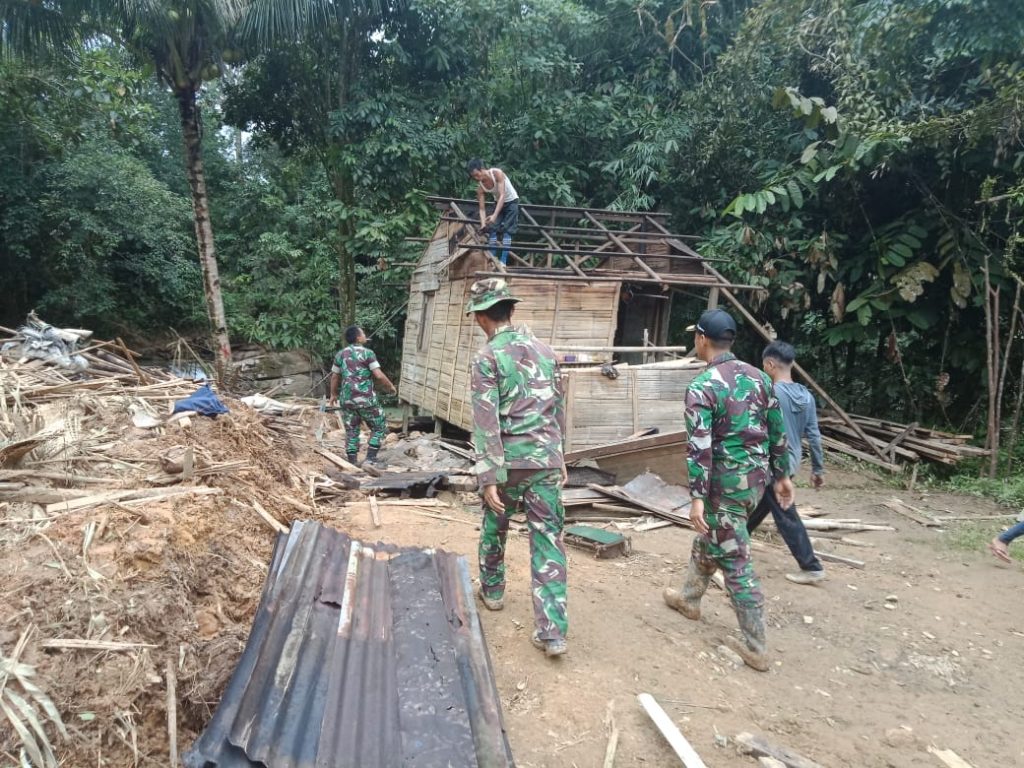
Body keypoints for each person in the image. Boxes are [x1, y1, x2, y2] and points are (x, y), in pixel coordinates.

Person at [663, 308, 794, 672]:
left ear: (702, 339)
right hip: (755, 481)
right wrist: (782, 476)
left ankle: (756, 646)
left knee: (735, 558)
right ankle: (689, 599)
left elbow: (700, 448)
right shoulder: (759, 379)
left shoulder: (702, 387)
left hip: (725, 485)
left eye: (695, 336)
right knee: (713, 538)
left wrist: (697, 499)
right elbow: (776, 430)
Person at [467, 277, 569, 657]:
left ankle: (493, 592)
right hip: (545, 462)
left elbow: (486, 421)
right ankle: (552, 632)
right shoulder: (546, 351)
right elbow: (558, 409)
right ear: (510, 308)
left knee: (495, 524)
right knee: (548, 539)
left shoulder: (486, 358)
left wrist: (488, 476)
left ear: (480, 316)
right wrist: (560, 458)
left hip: (509, 463)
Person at [746, 341, 827, 585]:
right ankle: (736, 542)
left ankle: (811, 566)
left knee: (785, 514)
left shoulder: (771, 393)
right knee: (760, 506)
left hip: (772, 464)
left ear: (770, 364)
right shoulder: (806, 396)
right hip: (790, 463)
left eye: (764, 365)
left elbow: (756, 430)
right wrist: (818, 468)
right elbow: (814, 435)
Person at [328, 325, 397, 467]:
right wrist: (390, 386)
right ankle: (370, 459)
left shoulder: (340, 354)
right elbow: (378, 375)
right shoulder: (368, 354)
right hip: (366, 399)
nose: (365, 335)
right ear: (358, 338)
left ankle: (352, 462)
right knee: (379, 426)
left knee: (351, 429)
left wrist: (333, 394)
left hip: (346, 400)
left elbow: (335, 377)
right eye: (363, 333)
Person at [468, 159, 519, 265]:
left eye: (477, 175)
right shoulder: (480, 189)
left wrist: (494, 215)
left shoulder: (497, 173)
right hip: (498, 203)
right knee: (491, 228)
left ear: (482, 169)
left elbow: (502, 195)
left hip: (511, 202)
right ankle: (492, 258)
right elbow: (481, 208)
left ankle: (503, 261)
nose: (477, 178)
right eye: (474, 177)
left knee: (508, 230)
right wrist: (483, 224)